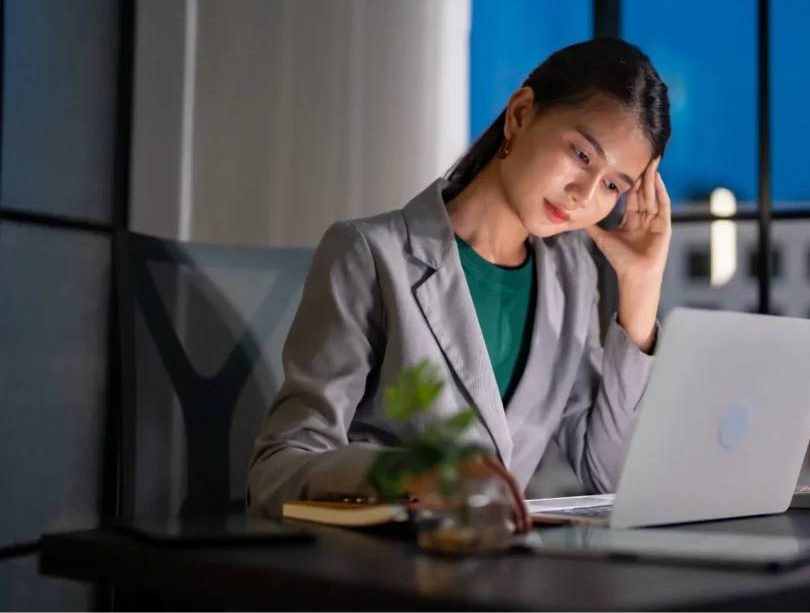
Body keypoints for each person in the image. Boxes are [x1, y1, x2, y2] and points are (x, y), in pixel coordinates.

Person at [248, 37, 672, 532]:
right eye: (581, 153)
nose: (584, 195)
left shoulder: (570, 278)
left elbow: (608, 474)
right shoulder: (370, 254)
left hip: (500, 573)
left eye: (613, 185)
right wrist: (412, 474)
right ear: (520, 115)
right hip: (387, 571)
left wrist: (640, 287)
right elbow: (276, 472)